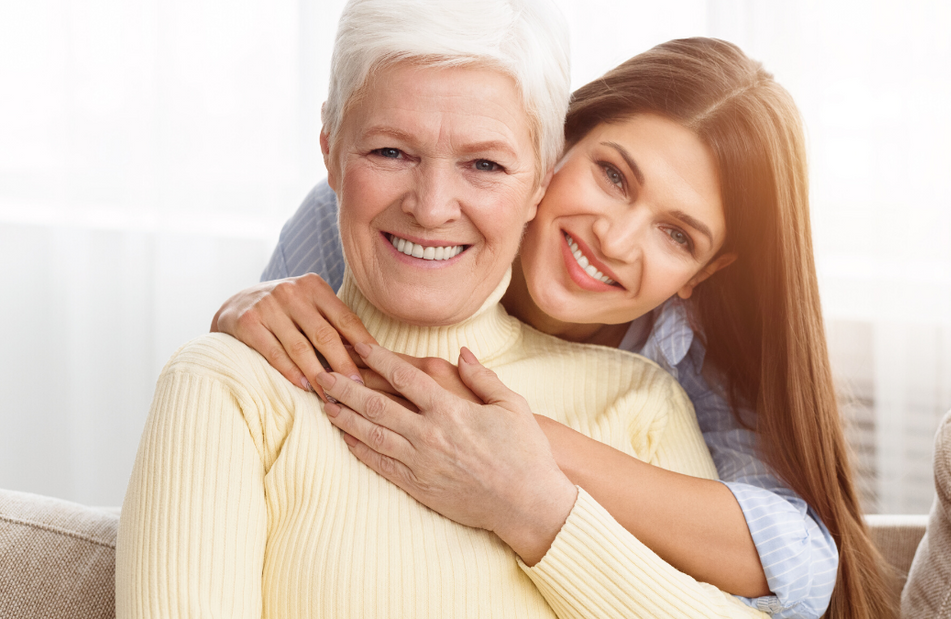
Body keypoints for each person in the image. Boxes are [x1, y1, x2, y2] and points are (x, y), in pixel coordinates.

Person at [116, 1, 769, 618]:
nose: (430, 208)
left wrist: (540, 513)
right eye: (390, 152)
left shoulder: (642, 399)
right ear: (330, 154)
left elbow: (795, 558)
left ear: (540, 181)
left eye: (484, 163)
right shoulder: (228, 385)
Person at [213, 37, 894, 619]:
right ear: (554, 143)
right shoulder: (390, 211)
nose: (616, 239)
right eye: (613, 176)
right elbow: (235, 425)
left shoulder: (682, 352)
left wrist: (523, 450)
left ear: (702, 273)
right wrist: (233, 320)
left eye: (676, 234)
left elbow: (802, 566)